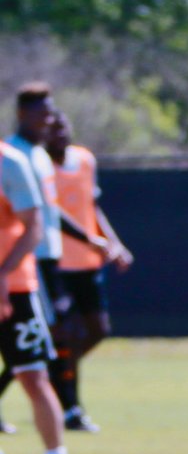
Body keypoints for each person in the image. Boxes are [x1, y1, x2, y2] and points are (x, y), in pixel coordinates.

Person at [0, 84, 107, 434]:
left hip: (46, 261)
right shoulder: (13, 155)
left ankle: (71, 410)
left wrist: (92, 239)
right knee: (46, 341)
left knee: (48, 342)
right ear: (21, 114)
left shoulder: (39, 155)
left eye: (50, 112)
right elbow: (27, 219)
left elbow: (49, 212)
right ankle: (71, 410)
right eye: (41, 112)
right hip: (27, 265)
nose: (48, 119)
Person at [46, 111, 134, 432]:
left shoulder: (84, 160)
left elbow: (91, 208)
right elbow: (50, 215)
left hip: (88, 261)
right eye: (51, 130)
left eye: (62, 128)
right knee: (64, 337)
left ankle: (55, 373)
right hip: (55, 265)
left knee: (97, 330)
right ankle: (71, 408)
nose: (59, 134)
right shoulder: (39, 167)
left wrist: (114, 244)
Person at [0, 137, 74, 454]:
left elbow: (34, 227)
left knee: (33, 377)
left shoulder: (10, 163)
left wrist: (2, 274)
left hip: (13, 289)